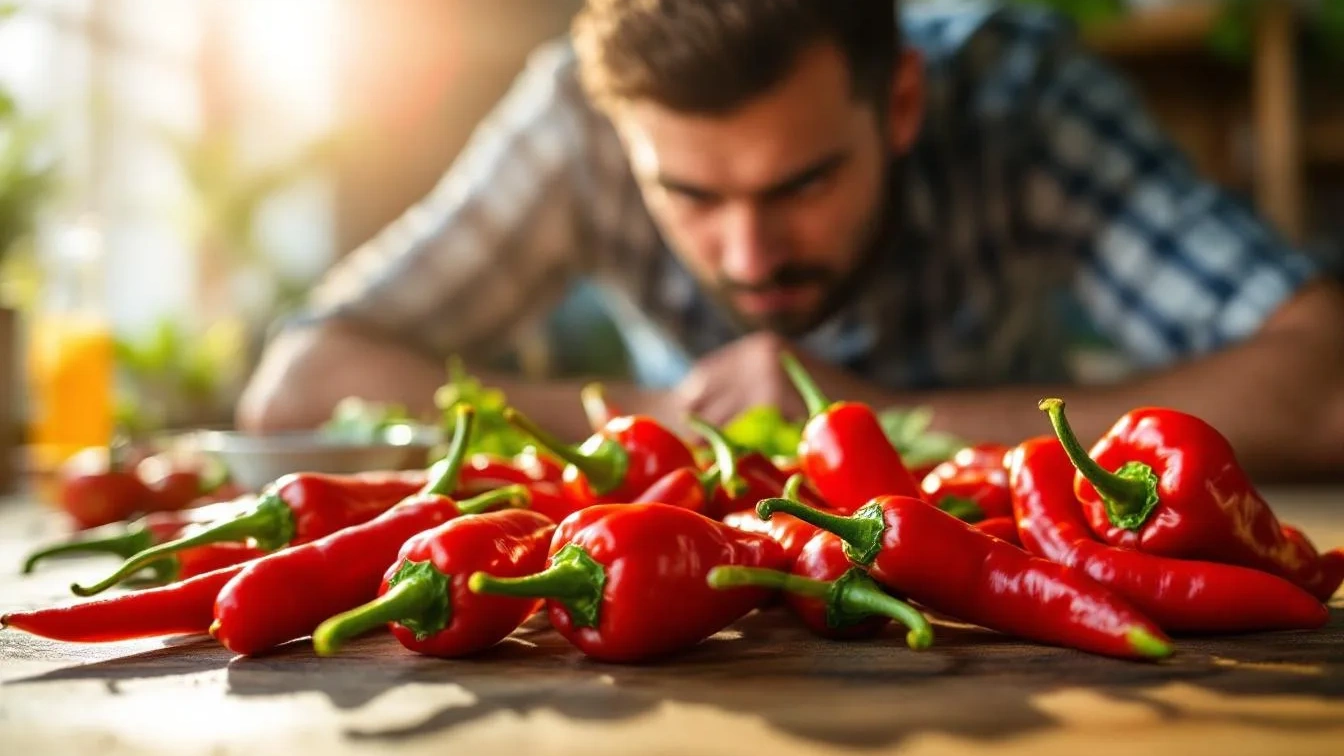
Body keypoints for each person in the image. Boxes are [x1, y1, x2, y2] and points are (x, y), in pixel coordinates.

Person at [238, 0, 1344, 479]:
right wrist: (662, 418)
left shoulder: (1019, 95)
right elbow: (297, 384)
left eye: (802, 183)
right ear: (624, 140)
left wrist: (878, 423)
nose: (749, 255)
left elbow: (1324, 380)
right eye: (690, 196)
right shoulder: (573, 114)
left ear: (900, 103)